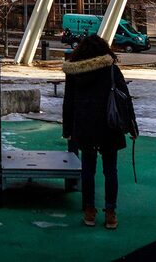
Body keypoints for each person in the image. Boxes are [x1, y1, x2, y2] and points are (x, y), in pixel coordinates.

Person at [62, 34, 135, 230]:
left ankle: (89, 211)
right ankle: (110, 212)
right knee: (110, 170)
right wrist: (132, 126)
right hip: (109, 126)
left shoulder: (74, 72)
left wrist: (68, 129)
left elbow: (68, 102)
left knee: (88, 169)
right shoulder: (110, 69)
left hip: (85, 127)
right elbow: (124, 99)